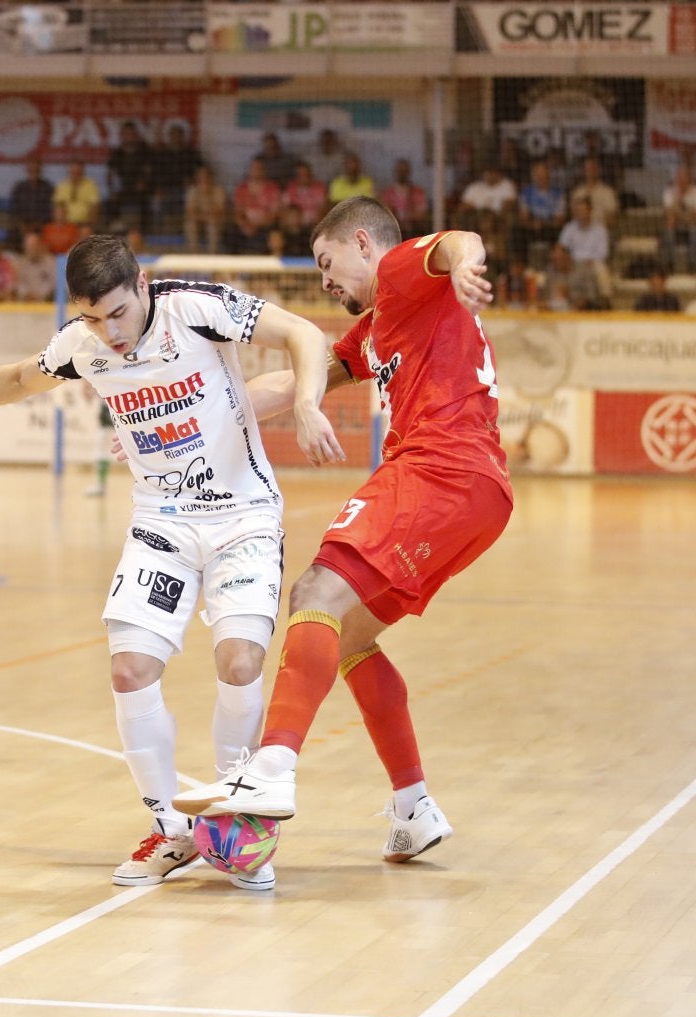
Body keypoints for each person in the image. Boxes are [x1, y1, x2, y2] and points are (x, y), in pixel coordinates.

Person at [0, 235, 336, 891]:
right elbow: (17, 380)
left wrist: (309, 402)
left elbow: (302, 333)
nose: (109, 333)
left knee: (239, 662)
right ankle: (171, 830)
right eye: (92, 318)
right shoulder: (83, 345)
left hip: (243, 517)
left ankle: (236, 822)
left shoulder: (195, 309)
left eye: (118, 313)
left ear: (142, 285)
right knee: (128, 670)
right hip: (161, 522)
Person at [173, 198, 512, 871]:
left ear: (363, 243)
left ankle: (272, 769)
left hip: (440, 470)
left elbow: (459, 240)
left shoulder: (400, 273)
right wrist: (188, 418)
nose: (325, 281)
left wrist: (465, 266)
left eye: (327, 263)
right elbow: (292, 382)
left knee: (315, 593)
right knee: (348, 637)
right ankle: (413, 808)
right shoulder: (378, 329)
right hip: (477, 492)